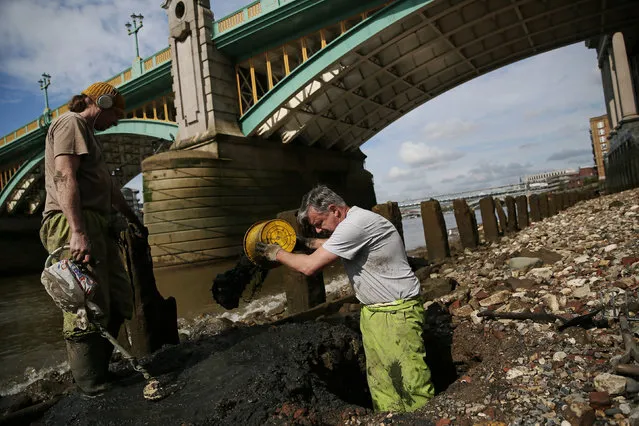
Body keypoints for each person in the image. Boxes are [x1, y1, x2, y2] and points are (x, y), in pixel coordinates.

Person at [256, 185, 434, 412]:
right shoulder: (354, 223)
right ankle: (389, 418)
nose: (319, 230)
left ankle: (424, 417)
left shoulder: (356, 224)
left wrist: (277, 253)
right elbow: (331, 245)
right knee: (381, 380)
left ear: (334, 210)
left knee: (410, 378)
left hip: (397, 313)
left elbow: (310, 267)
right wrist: (303, 243)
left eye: (319, 223)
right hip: (375, 312)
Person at [40, 82, 145, 396]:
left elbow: (111, 190)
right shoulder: (70, 123)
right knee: (86, 306)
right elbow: (64, 176)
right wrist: (78, 231)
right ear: (101, 101)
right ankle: (90, 384)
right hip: (72, 222)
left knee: (120, 299)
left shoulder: (91, 140)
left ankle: (101, 370)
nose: (115, 122)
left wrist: (132, 219)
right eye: (115, 114)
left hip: (97, 225)